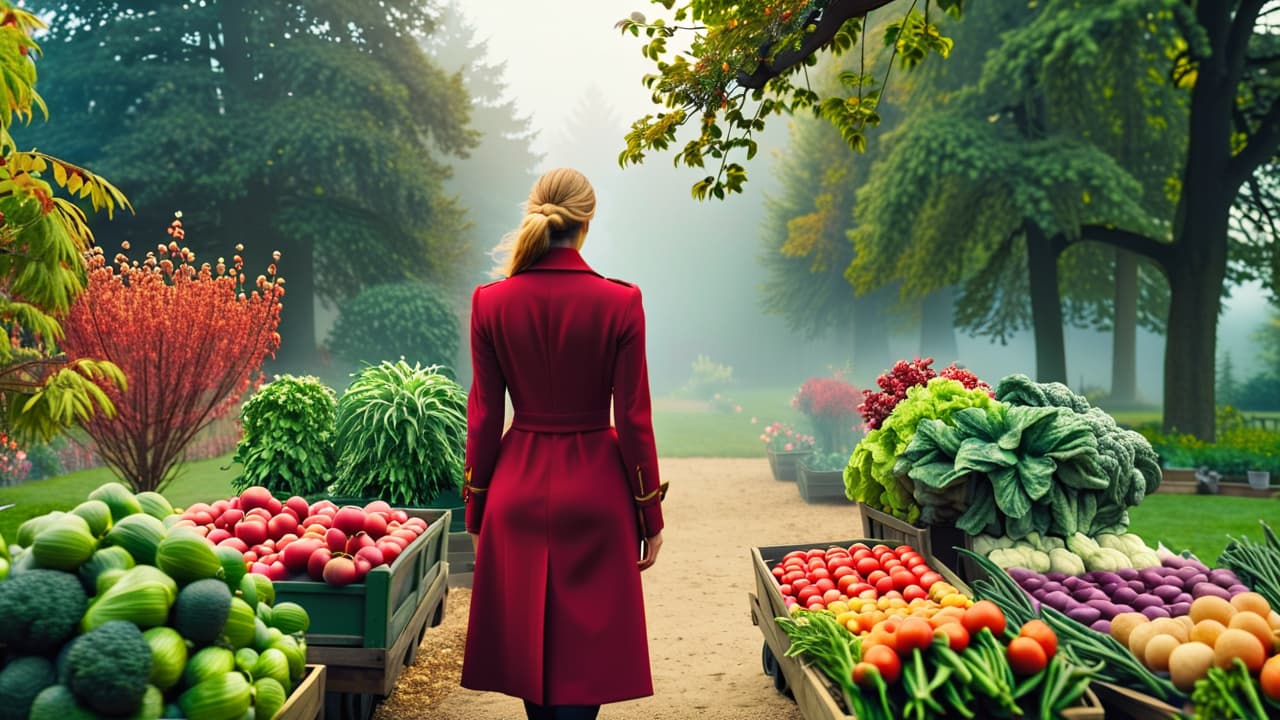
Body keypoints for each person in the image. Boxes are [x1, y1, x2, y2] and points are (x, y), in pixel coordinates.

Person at [459, 167, 665, 720]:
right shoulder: (621, 302)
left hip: (516, 494)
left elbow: (483, 418)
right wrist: (651, 515)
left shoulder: (490, 301)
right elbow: (636, 420)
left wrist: (476, 510)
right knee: (584, 667)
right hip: (596, 496)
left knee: (531, 656)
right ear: (586, 222)